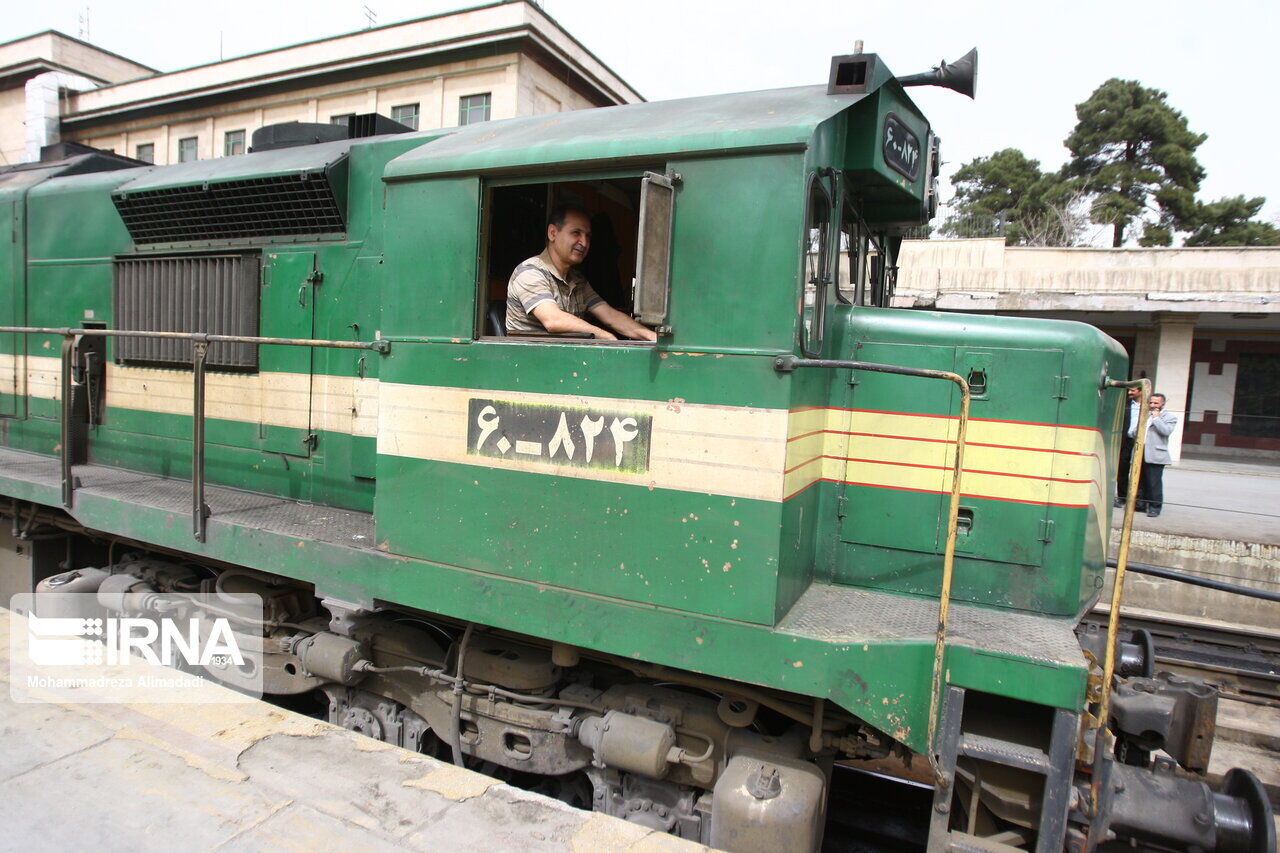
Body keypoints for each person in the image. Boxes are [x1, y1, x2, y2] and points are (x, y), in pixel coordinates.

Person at [506, 204, 657, 341]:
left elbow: (609, 315)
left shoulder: (577, 280)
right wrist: (604, 335)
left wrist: (651, 336)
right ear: (552, 233)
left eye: (588, 236)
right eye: (576, 233)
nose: (584, 243)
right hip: (531, 364)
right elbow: (553, 320)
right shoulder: (530, 272)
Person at [1138, 392, 1177, 517]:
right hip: (1141, 451)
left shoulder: (1169, 417)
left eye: (1156, 403)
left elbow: (1166, 431)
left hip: (1156, 454)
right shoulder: (1145, 415)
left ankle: (1155, 506)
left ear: (1163, 404)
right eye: (1151, 402)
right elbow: (1135, 432)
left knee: (1153, 482)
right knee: (1141, 480)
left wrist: (1156, 418)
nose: (1153, 405)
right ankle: (1141, 504)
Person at [1115, 385, 1141, 508]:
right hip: (1126, 440)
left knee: (1141, 470)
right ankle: (1122, 497)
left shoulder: (1148, 405)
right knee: (1123, 468)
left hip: (1142, 441)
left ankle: (1140, 500)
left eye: (1133, 390)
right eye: (1129, 390)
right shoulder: (1125, 404)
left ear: (1140, 391)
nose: (1130, 392)